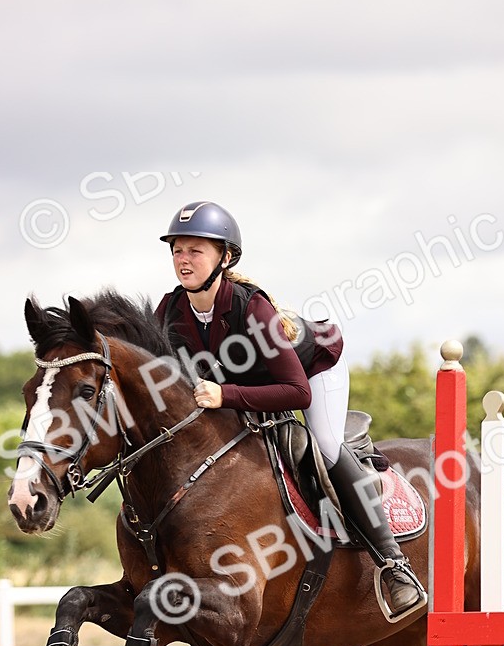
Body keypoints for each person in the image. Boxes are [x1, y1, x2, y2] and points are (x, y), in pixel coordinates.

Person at [155, 200, 425, 620]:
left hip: (313, 371)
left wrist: (225, 396)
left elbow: (296, 392)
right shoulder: (170, 311)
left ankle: (394, 566)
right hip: (249, 386)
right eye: (177, 250)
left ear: (224, 258)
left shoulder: (251, 308)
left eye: (195, 250)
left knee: (328, 448)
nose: (183, 260)